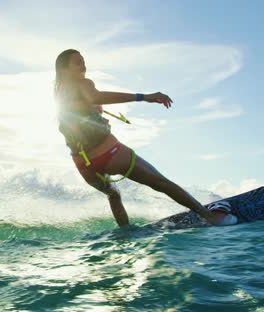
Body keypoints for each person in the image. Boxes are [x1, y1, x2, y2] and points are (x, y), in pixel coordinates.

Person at [54, 49, 237, 227]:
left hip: (84, 164)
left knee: (113, 194)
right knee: (161, 183)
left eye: (84, 61)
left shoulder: (59, 92)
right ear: (64, 69)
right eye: (78, 62)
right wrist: (144, 97)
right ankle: (209, 216)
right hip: (109, 153)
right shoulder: (84, 84)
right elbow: (95, 96)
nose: (83, 65)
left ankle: (125, 231)